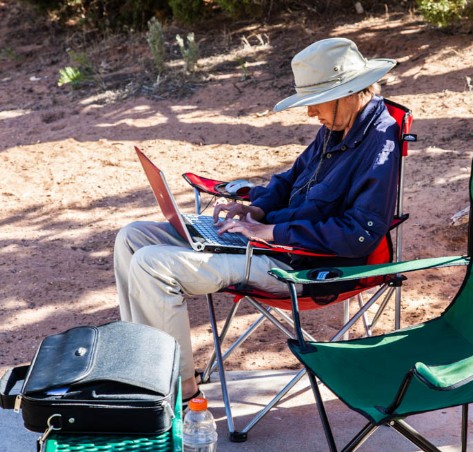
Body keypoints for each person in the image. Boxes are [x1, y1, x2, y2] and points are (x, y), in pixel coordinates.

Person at [114, 37, 401, 404]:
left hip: (302, 266)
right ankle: (143, 370)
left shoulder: (380, 144)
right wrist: (256, 210)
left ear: (348, 92)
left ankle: (179, 393)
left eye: (315, 102)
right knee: (133, 236)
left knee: (153, 265)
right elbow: (290, 178)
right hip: (268, 244)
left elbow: (359, 236)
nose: (311, 113)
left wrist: (271, 231)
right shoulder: (337, 128)